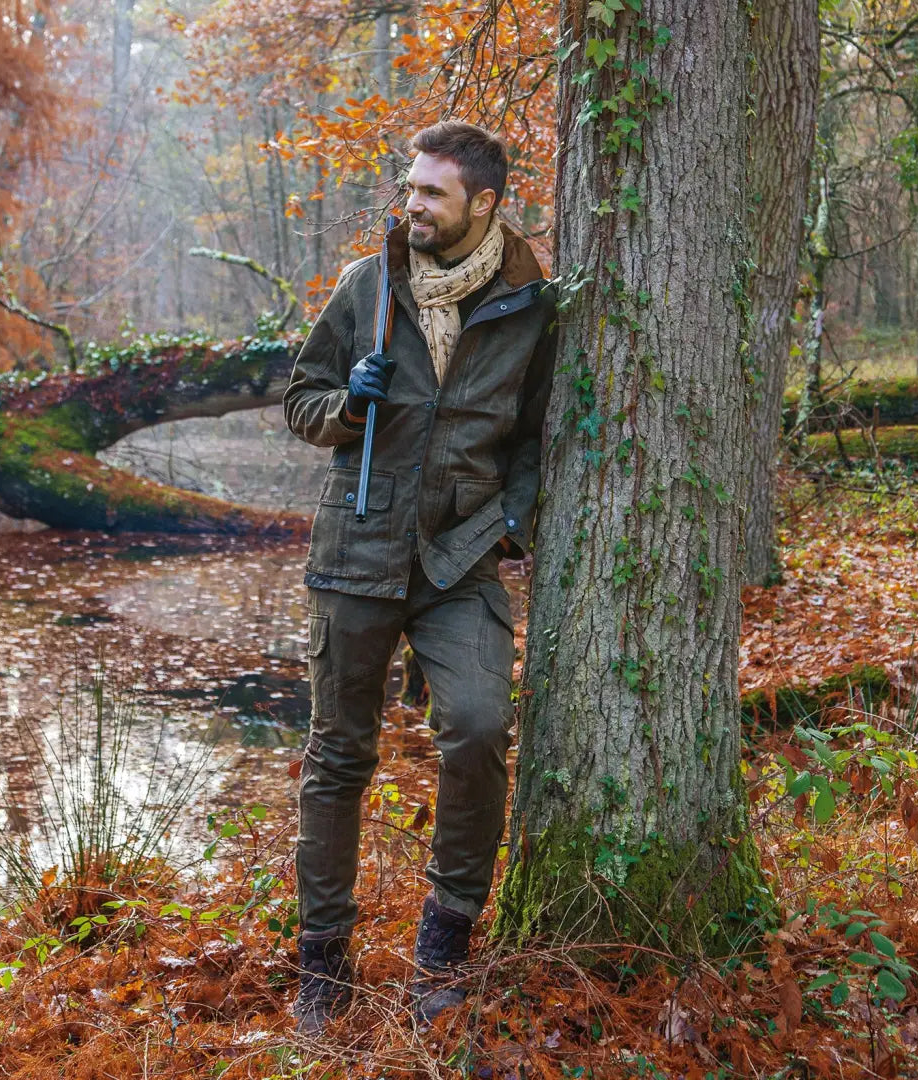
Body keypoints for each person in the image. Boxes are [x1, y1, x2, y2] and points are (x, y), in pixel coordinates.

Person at [282, 120, 556, 1035]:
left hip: (458, 558)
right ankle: (323, 962)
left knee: (479, 728)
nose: (412, 206)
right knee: (338, 758)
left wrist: (511, 520)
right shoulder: (368, 288)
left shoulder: (528, 305)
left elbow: (533, 436)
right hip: (354, 552)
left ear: (482, 203)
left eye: (431, 193)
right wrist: (347, 408)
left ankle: (443, 948)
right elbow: (300, 402)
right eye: (410, 189)